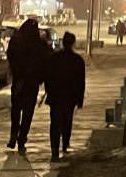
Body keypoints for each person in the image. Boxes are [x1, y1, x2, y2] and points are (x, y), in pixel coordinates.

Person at [6, 18, 53, 154]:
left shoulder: (16, 42)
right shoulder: (39, 45)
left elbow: (10, 56)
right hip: (32, 83)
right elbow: (48, 61)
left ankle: (14, 135)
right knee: (27, 113)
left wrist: (16, 71)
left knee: (16, 110)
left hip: (19, 82)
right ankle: (21, 139)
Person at [43, 32, 85, 163]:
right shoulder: (77, 60)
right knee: (67, 121)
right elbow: (81, 81)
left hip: (55, 96)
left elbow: (47, 77)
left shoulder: (54, 58)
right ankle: (65, 144)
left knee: (55, 123)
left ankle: (54, 149)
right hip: (69, 97)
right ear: (73, 43)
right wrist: (80, 98)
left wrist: (48, 91)